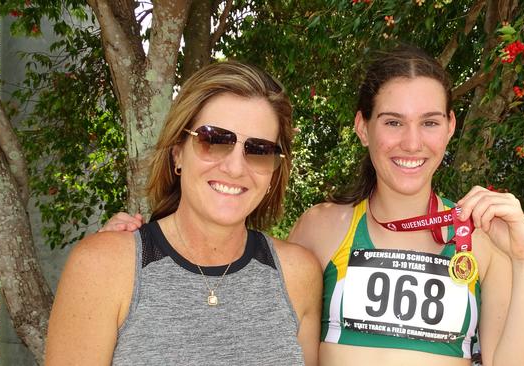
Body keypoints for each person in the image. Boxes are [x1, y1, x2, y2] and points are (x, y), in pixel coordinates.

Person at [101, 46, 524, 366]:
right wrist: (141, 249)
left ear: (450, 127)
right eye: (392, 122)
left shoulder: (480, 239)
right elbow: (239, 293)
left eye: (429, 122)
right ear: (363, 127)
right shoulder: (321, 227)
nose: (412, 142)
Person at [45, 61, 322, 365]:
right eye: (214, 140)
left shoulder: (298, 275)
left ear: (273, 171)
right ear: (178, 153)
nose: (234, 167)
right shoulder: (104, 268)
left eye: (258, 150)